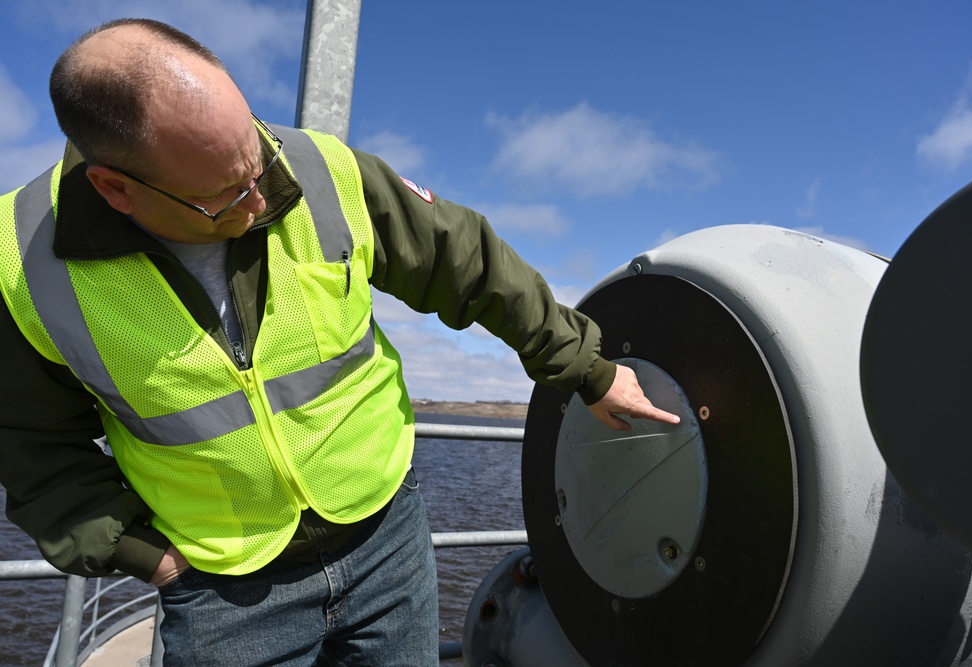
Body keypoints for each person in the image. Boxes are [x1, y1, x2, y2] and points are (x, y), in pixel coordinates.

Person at [0, 18, 679, 666]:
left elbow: (466, 260)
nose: (265, 198)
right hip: (222, 588)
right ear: (116, 188)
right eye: (227, 193)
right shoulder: (25, 267)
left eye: (257, 154)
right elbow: (36, 452)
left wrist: (588, 368)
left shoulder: (317, 170)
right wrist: (152, 558)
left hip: (388, 537)